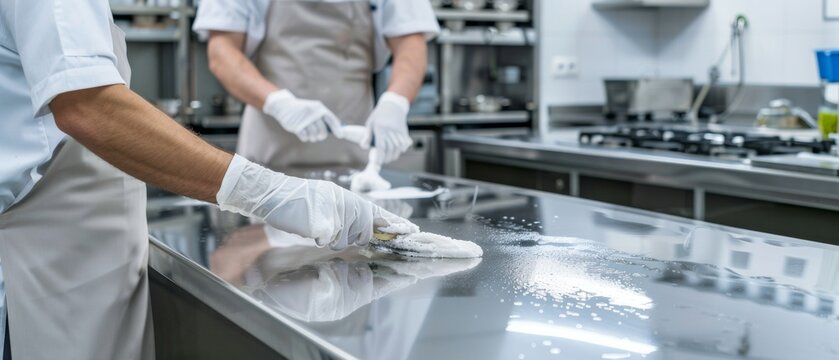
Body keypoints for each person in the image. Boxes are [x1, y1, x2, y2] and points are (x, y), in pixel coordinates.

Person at [0, 0, 415, 358]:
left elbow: (410, 35)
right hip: (60, 220)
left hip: (72, 212)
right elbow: (87, 105)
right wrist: (270, 188)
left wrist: (395, 102)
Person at [193, 0, 440, 169]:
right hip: (269, 146)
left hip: (353, 146)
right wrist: (279, 103)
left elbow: (411, 41)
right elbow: (222, 52)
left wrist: (395, 102)